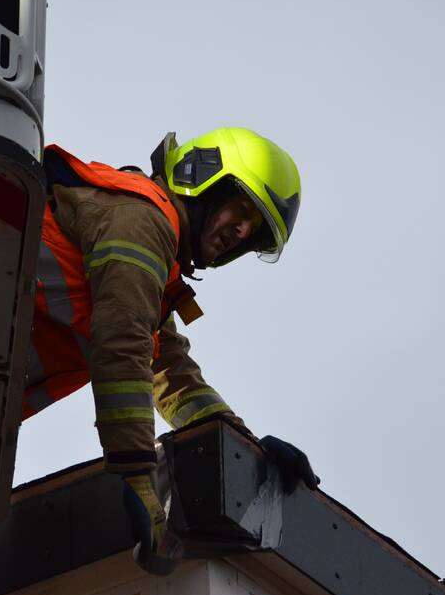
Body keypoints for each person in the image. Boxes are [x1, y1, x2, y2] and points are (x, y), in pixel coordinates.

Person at [25, 127, 318, 570]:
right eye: (241, 209)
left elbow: (173, 375)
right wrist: (138, 475)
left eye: (252, 229)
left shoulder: (155, 268)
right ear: (201, 176)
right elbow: (122, 342)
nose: (240, 230)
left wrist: (244, 450)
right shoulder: (142, 220)